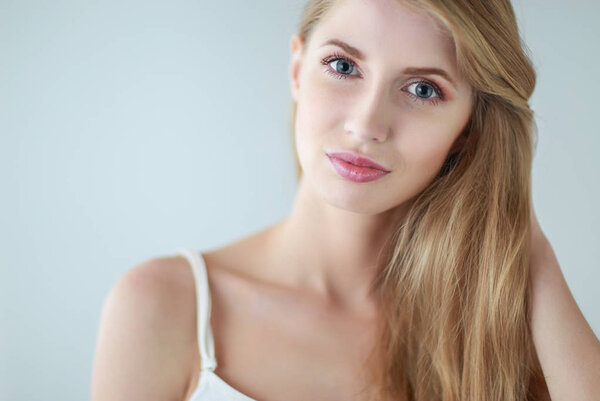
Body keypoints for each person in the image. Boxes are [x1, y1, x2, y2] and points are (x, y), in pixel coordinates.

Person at [90, 0, 600, 400]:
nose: (366, 125)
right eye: (342, 65)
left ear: (469, 130)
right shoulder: (166, 306)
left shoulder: (498, 330)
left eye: (423, 90)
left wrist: (520, 230)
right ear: (296, 69)